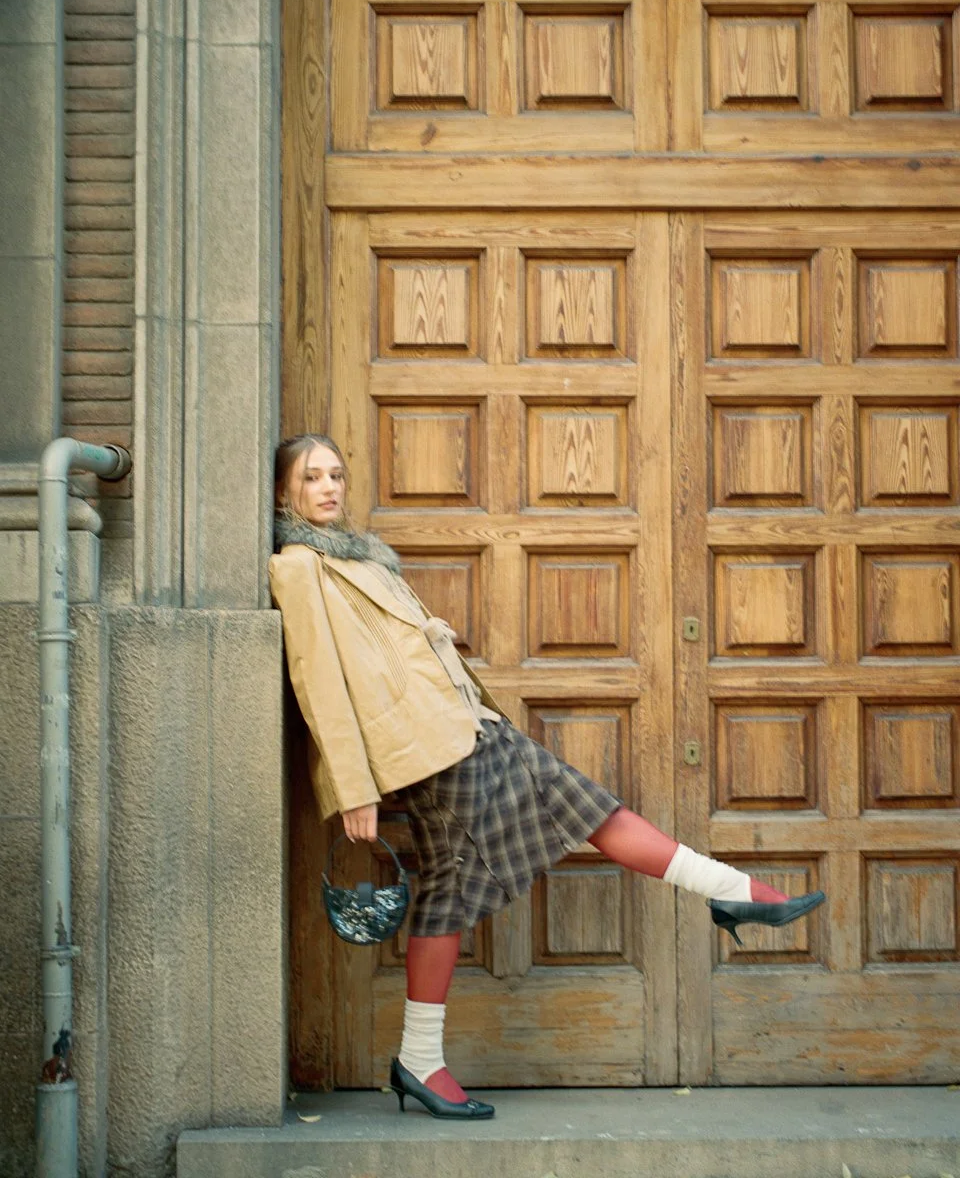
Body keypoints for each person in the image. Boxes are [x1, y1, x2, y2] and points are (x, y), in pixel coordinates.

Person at [270, 433, 825, 1121]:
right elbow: (317, 682)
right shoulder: (299, 569)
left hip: (469, 730)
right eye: (311, 477)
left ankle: (419, 1061)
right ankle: (734, 891)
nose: (328, 488)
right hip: (426, 753)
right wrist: (351, 788)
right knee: (569, 822)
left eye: (336, 475)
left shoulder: (362, 558)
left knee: (469, 875)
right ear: (281, 493)